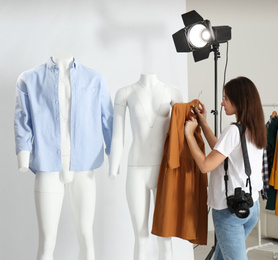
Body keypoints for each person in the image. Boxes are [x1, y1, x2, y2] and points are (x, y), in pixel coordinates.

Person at [14, 53, 113, 260]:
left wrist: (113, 153)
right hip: (47, 165)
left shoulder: (94, 79)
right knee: (47, 240)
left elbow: (107, 118)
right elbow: (23, 120)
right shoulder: (29, 79)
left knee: (86, 236)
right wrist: (23, 156)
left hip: (84, 167)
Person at [184, 76, 267, 260]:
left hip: (229, 211)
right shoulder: (254, 128)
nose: (222, 103)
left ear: (239, 100)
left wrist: (189, 135)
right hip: (250, 206)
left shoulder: (233, 130)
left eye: (226, 98)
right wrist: (203, 123)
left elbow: (206, 165)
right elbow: (222, 153)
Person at [109, 73, 182, 260]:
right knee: (140, 237)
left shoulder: (173, 93)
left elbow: (181, 133)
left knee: (165, 237)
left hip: (164, 171)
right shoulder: (125, 93)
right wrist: (113, 166)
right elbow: (117, 135)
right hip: (136, 169)